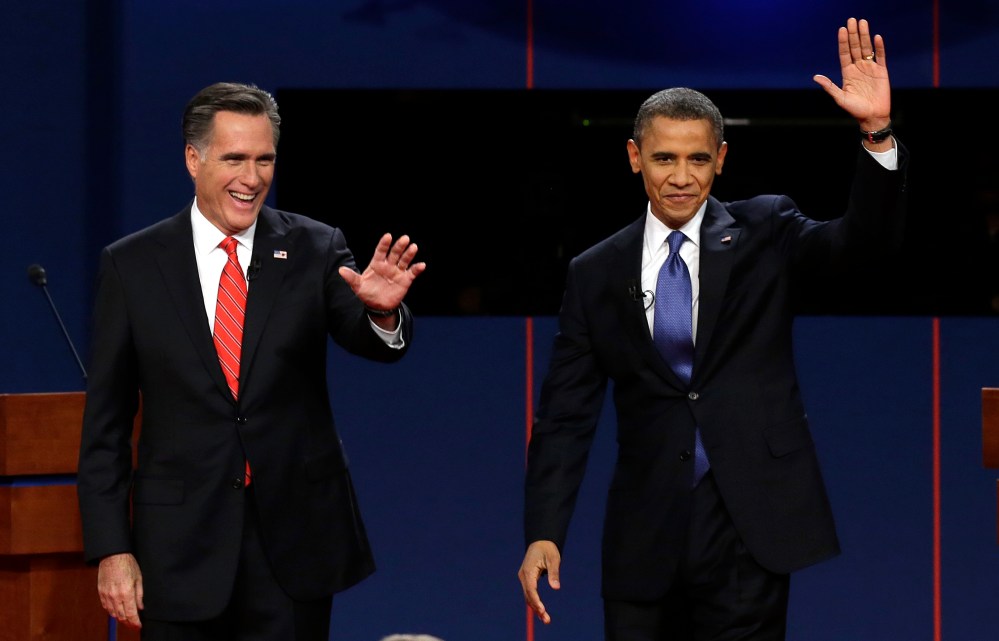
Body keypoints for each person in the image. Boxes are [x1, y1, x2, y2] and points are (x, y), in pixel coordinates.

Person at [517, 18, 906, 641]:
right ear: (634, 156)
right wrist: (544, 530)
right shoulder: (596, 272)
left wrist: (876, 134)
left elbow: (863, 245)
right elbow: (566, 415)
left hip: (750, 527)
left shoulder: (766, 230)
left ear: (720, 160)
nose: (681, 176)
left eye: (698, 158)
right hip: (645, 533)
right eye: (664, 158)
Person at [77, 81, 426, 641]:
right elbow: (106, 427)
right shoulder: (133, 265)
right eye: (234, 158)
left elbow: (372, 342)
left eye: (265, 159)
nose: (253, 177)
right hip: (178, 548)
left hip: (291, 545)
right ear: (194, 159)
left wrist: (384, 317)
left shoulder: (315, 247)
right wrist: (112, 548)